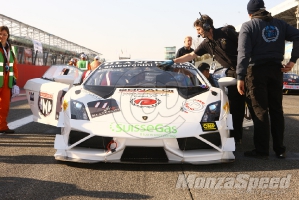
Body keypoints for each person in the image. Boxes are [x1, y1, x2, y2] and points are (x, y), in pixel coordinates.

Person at [159, 14, 245, 144]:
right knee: (235, 106)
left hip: (246, 68)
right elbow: (191, 55)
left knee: (254, 105)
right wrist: (173, 61)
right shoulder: (205, 44)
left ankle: (261, 143)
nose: (198, 32)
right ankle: (236, 137)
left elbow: (245, 43)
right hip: (232, 71)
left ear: (206, 26)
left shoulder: (226, 32)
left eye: (199, 29)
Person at [236, 0, 299, 159]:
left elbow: (243, 53)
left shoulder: (248, 26)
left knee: (260, 110)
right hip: (276, 70)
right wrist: (292, 61)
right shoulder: (280, 24)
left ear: (250, 14)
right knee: (277, 110)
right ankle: (280, 149)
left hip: (256, 71)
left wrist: (240, 76)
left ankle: (262, 150)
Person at [0, 26, 19, 134]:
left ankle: (2, 126)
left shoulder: (11, 50)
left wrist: (15, 82)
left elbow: (14, 67)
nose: (2, 36)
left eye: (4, 34)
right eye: (0, 34)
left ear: (8, 36)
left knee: (4, 107)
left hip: (7, 83)